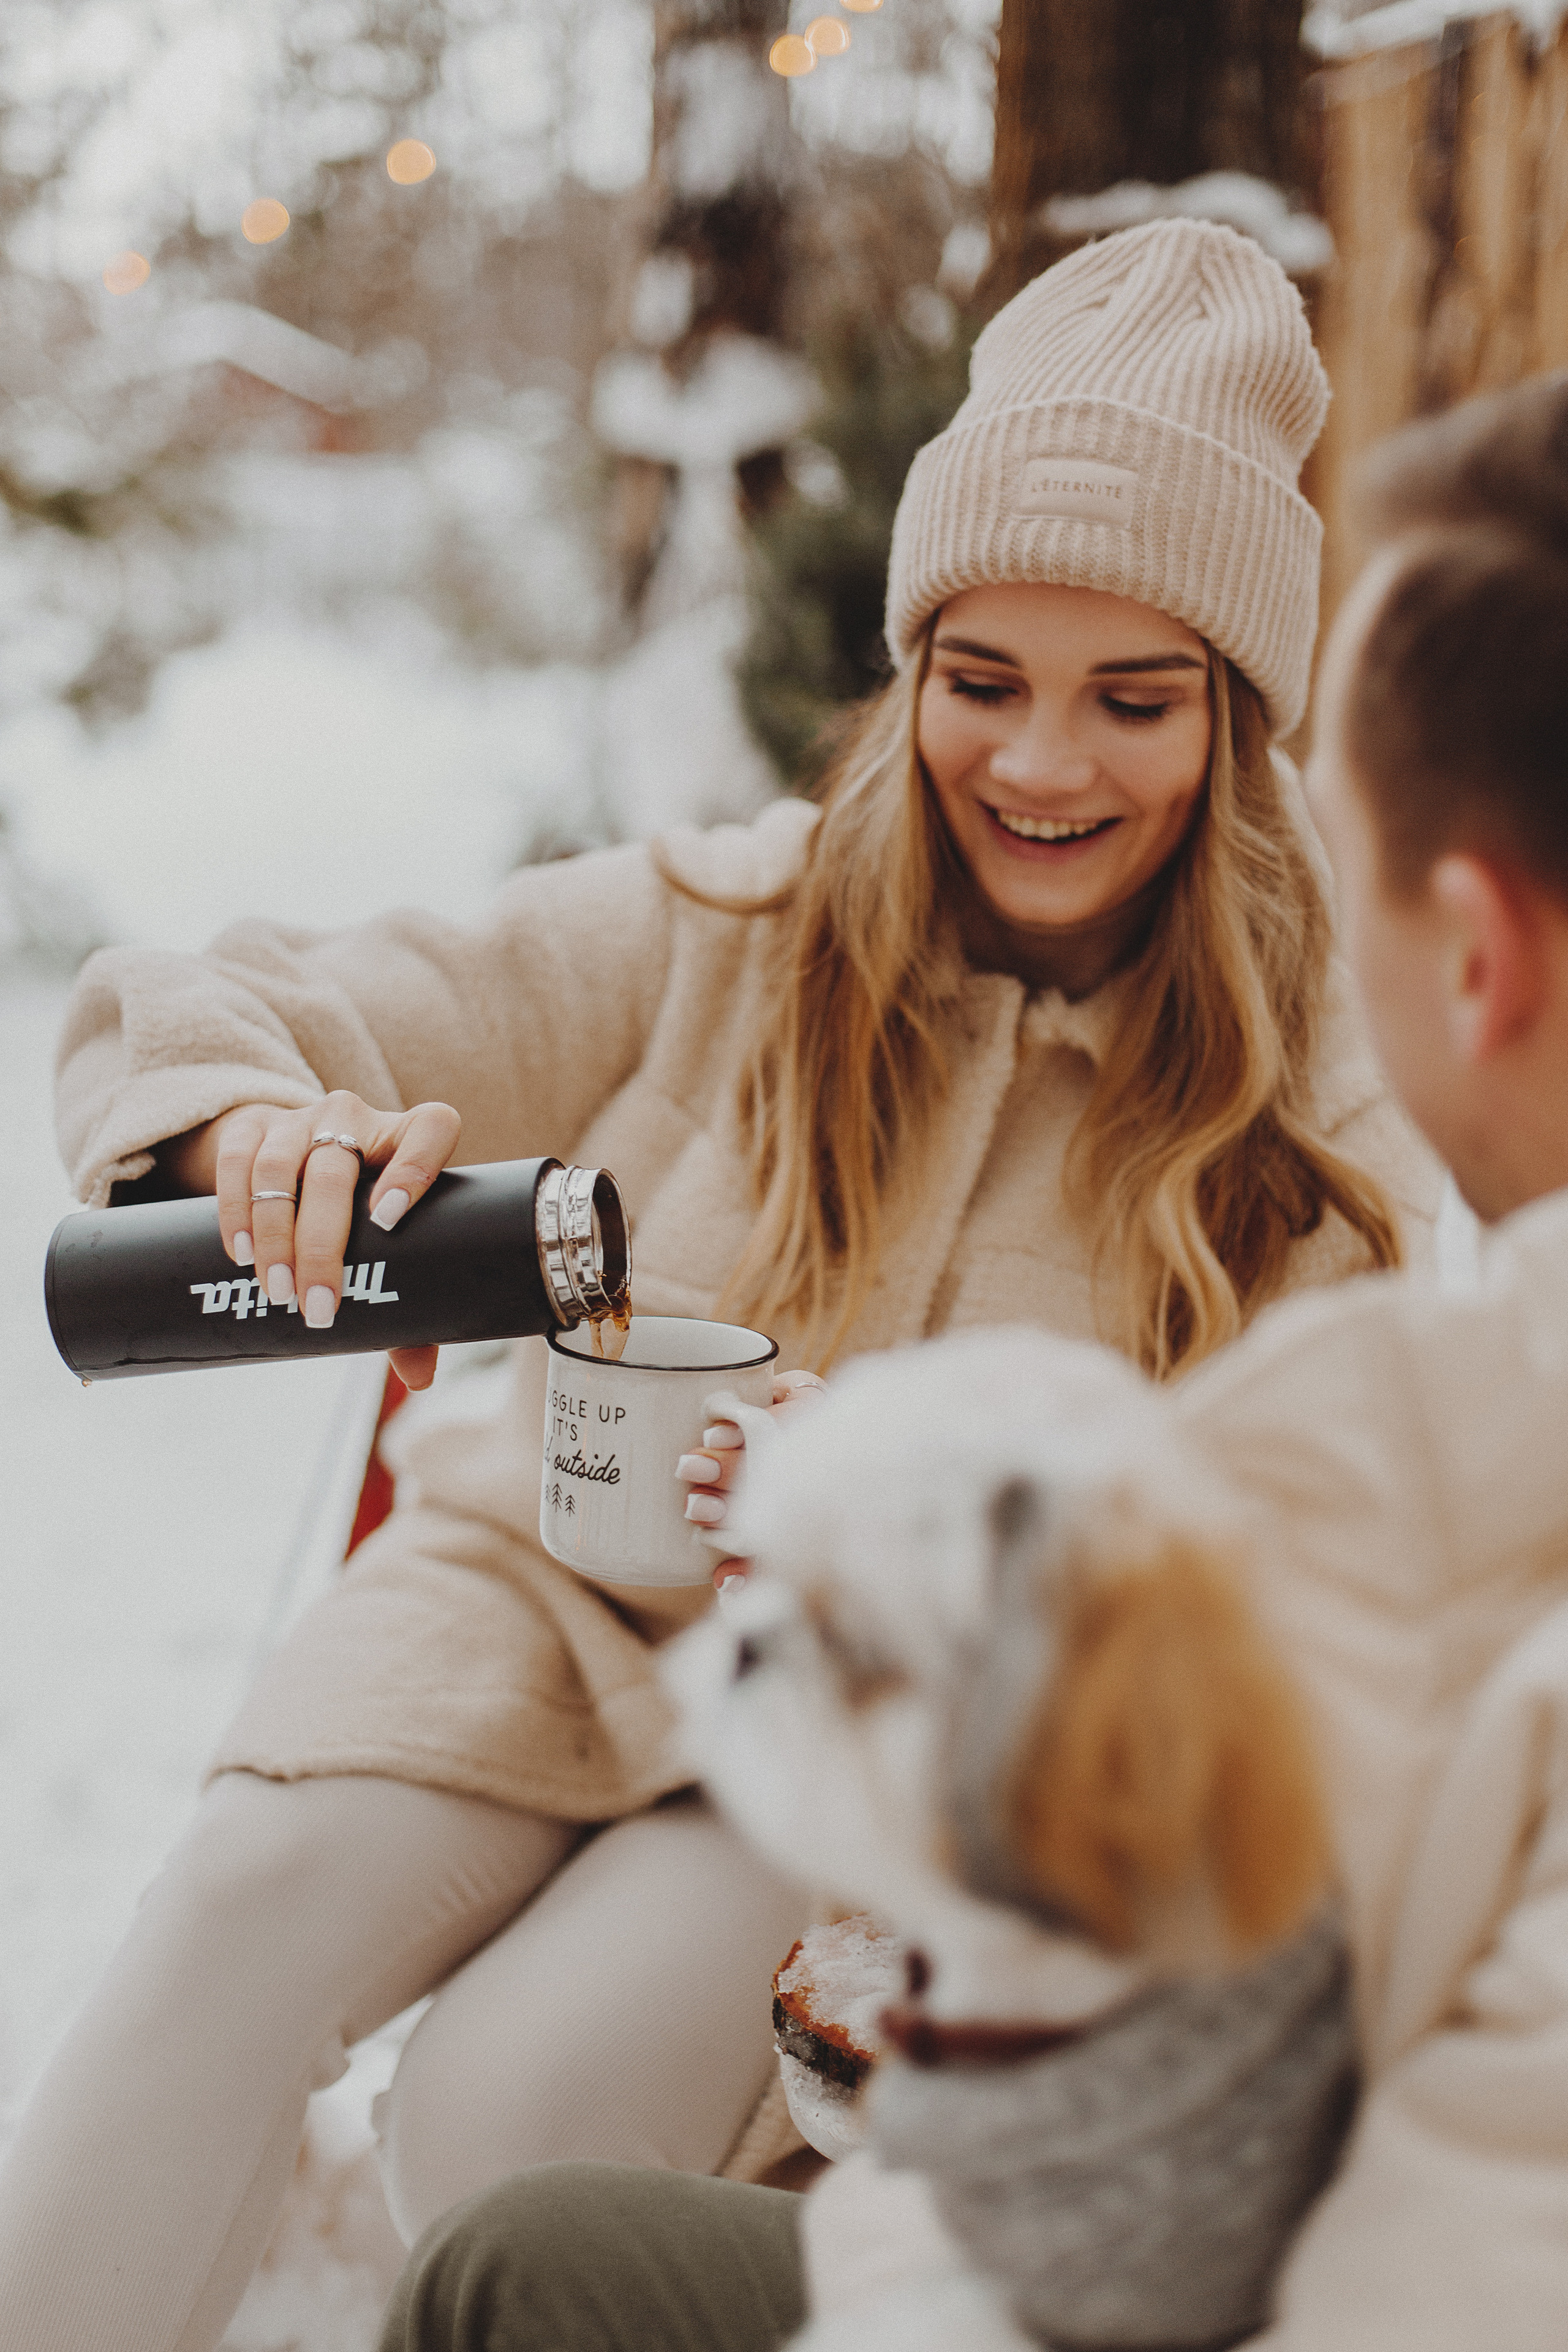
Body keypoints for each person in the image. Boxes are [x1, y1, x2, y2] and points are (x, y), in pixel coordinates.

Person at [0, 219, 1434, 2352]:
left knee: (508, 2127)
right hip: (537, 1606)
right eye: (981, 681)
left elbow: (1338, 1569)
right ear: (912, 666)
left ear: (1236, 715)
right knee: (236, 1915)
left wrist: (933, 1532)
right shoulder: (741, 927)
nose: (1042, 766)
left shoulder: (1325, 1090)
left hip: (879, 1739)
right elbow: (236, 1001)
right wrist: (248, 1134)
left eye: (1132, 701)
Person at [373, 372, 1568, 2352]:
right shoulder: (1456, 1391)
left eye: (1341, 843)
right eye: (985, 677)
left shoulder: (1388, 1330)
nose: (1046, 760)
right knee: (523, 2242)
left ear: (1474, 951)